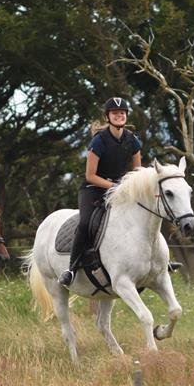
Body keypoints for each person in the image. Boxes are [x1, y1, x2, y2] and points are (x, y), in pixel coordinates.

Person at [58, 96, 142, 288]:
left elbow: (138, 172)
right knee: (86, 223)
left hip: (120, 190)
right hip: (93, 190)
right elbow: (90, 175)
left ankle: (158, 263)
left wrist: (130, 188)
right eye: (115, 113)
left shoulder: (133, 141)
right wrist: (115, 186)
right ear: (107, 117)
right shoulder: (99, 141)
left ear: (126, 116)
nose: (119, 116)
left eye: (122, 113)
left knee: (145, 214)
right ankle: (71, 269)